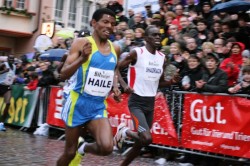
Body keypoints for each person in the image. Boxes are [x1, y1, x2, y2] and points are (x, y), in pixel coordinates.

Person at [56, 8, 121, 166]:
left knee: (107, 147)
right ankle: (75, 151)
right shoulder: (81, 43)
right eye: (105, 22)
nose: (109, 26)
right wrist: (82, 59)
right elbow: (62, 74)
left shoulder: (116, 49)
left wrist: (116, 86)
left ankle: (83, 147)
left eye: (112, 24)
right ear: (94, 23)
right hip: (78, 103)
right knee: (69, 153)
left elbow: (113, 69)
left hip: (97, 106)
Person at [114, 25, 179, 166]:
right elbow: (116, 68)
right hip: (136, 102)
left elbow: (159, 83)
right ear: (146, 39)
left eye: (159, 35)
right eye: (154, 35)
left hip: (150, 103)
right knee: (147, 138)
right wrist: (124, 85)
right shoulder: (136, 53)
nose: (157, 37)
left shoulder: (162, 58)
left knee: (141, 142)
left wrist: (171, 82)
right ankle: (124, 131)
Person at [0, 55, 16, 131]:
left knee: (8, 103)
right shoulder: (3, 64)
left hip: (7, 87)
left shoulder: (14, 67)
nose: (11, 60)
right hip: (0, 85)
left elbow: (12, 76)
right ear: (7, 59)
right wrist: (4, 71)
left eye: (13, 59)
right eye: (10, 58)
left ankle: (1, 124)